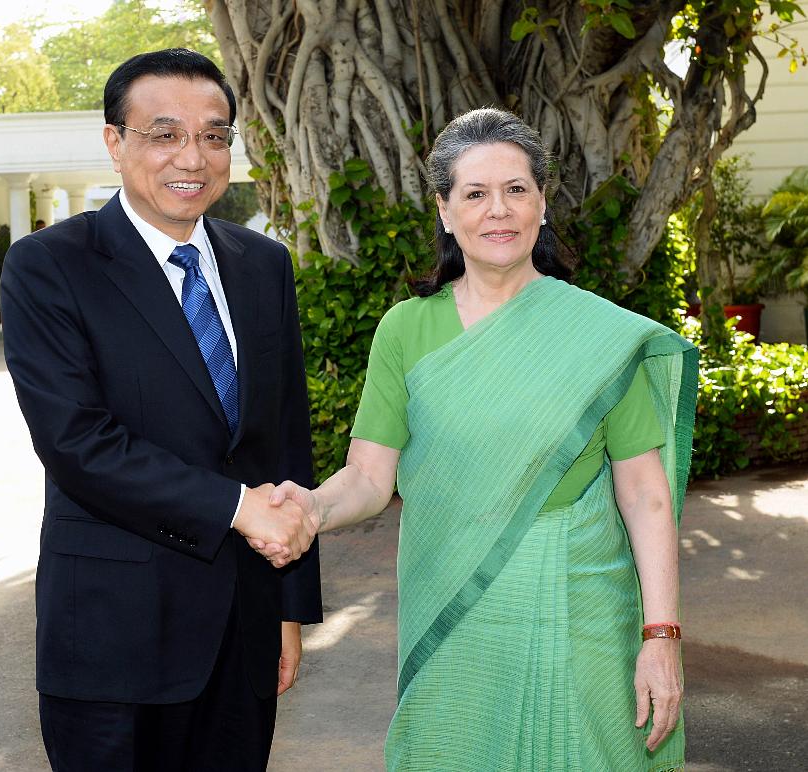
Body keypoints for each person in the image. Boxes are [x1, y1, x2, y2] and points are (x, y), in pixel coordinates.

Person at [258, 108, 696, 770]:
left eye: (517, 190)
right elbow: (371, 477)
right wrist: (311, 510)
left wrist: (661, 636)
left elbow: (644, 493)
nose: (500, 211)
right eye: (475, 193)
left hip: (578, 610)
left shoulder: (600, 337)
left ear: (542, 204)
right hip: (455, 604)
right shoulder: (406, 330)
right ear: (444, 210)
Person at [0, 48, 321, 771]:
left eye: (214, 136)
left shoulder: (261, 264)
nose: (194, 157)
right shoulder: (50, 266)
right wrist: (240, 509)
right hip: (114, 636)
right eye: (164, 133)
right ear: (115, 142)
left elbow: (284, 445)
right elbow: (78, 442)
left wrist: (290, 608)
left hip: (244, 626)